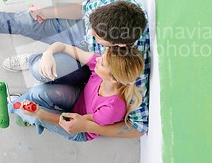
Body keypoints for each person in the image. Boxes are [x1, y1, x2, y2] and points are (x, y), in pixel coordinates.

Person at [0, 0, 150, 138]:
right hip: (82, 50)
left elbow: (138, 128)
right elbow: (84, 9)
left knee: (40, 74)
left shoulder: (132, 69)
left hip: (90, 67)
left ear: (120, 45)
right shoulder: (116, 1)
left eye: (98, 35)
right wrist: (47, 13)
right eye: (93, 27)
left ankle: (34, 71)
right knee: (25, 21)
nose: (92, 33)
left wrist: (86, 125)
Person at [9, 42, 144, 142]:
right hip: (79, 97)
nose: (97, 59)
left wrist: (39, 113)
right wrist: (48, 53)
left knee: (36, 114)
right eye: (102, 56)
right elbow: (63, 47)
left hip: (79, 127)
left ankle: (24, 113)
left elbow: (70, 122)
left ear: (113, 78)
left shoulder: (112, 108)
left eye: (102, 63)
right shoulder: (98, 68)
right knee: (38, 91)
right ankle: (29, 111)